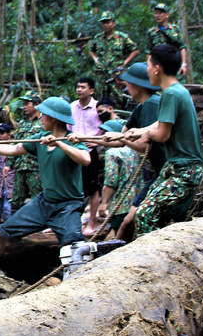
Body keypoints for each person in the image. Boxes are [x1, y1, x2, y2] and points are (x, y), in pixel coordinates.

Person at [0, 97, 91, 274]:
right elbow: (12, 149)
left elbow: (86, 160)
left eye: (44, 115)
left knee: (74, 246)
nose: (41, 118)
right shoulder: (40, 139)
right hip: (44, 202)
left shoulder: (73, 140)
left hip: (68, 205)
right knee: (2, 233)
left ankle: (77, 279)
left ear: (53, 118)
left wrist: (60, 143)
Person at [120, 44, 203, 237]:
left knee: (144, 214)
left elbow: (162, 134)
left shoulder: (171, 94)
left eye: (148, 64)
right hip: (175, 167)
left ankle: (152, 258)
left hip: (185, 170)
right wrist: (138, 130)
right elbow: (161, 123)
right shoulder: (177, 91)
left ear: (157, 69)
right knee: (149, 210)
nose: (147, 69)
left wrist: (146, 134)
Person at [97, 62, 163, 241]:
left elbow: (142, 145)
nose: (125, 86)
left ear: (138, 86)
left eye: (128, 83)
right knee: (127, 221)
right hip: (159, 174)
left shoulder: (152, 104)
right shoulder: (140, 107)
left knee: (133, 219)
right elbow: (120, 139)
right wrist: (81, 138)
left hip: (168, 173)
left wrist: (120, 138)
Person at [94, 119, 144, 233]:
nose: (102, 137)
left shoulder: (112, 153)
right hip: (136, 202)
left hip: (120, 205)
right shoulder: (134, 150)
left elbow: (111, 181)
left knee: (120, 235)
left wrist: (104, 203)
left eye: (104, 134)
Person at [69, 77, 104, 235]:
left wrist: (96, 142)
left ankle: (91, 223)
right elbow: (68, 127)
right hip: (74, 151)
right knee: (72, 186)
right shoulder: (71, 107)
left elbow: (105, 126)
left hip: (91, 151)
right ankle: (70, 221)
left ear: (91, 91)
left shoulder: (98, 107)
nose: (79, 89)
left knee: (93, 188)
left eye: (83, 87)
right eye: (77, 86)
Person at [9, 92, 44, 210]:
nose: (24, 106)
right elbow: (15, 143)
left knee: (37, 198)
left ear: (37, 104)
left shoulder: (43, 123)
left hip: (36, 167)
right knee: (16, 199)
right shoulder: (23, 124)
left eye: (27, 103)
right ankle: (14, 226)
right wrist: (9, 164)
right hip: (20, 166)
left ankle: (36, 226)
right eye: (23, 104)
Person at [88, 11, 139, 83]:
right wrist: (96, 59)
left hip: (116, 73)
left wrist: (124, 63)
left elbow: (135, 51)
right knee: (101, 94)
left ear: (114, 23)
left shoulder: (122, 37)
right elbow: (91, 50)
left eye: (108, 22)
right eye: (103, 23)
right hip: (101, 74)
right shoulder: (98, 37)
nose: (105, 25)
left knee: (118, 93)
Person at [145, 3, 189, 77]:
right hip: (159, 66)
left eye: (160, 13)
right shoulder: (151, 32)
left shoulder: (175, 29)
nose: (158, 15)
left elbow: (182, 46)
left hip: (174, 65)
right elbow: (148, 51)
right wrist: (151, 67)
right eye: (156, 13)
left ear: (167, 15)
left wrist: (183, 64)